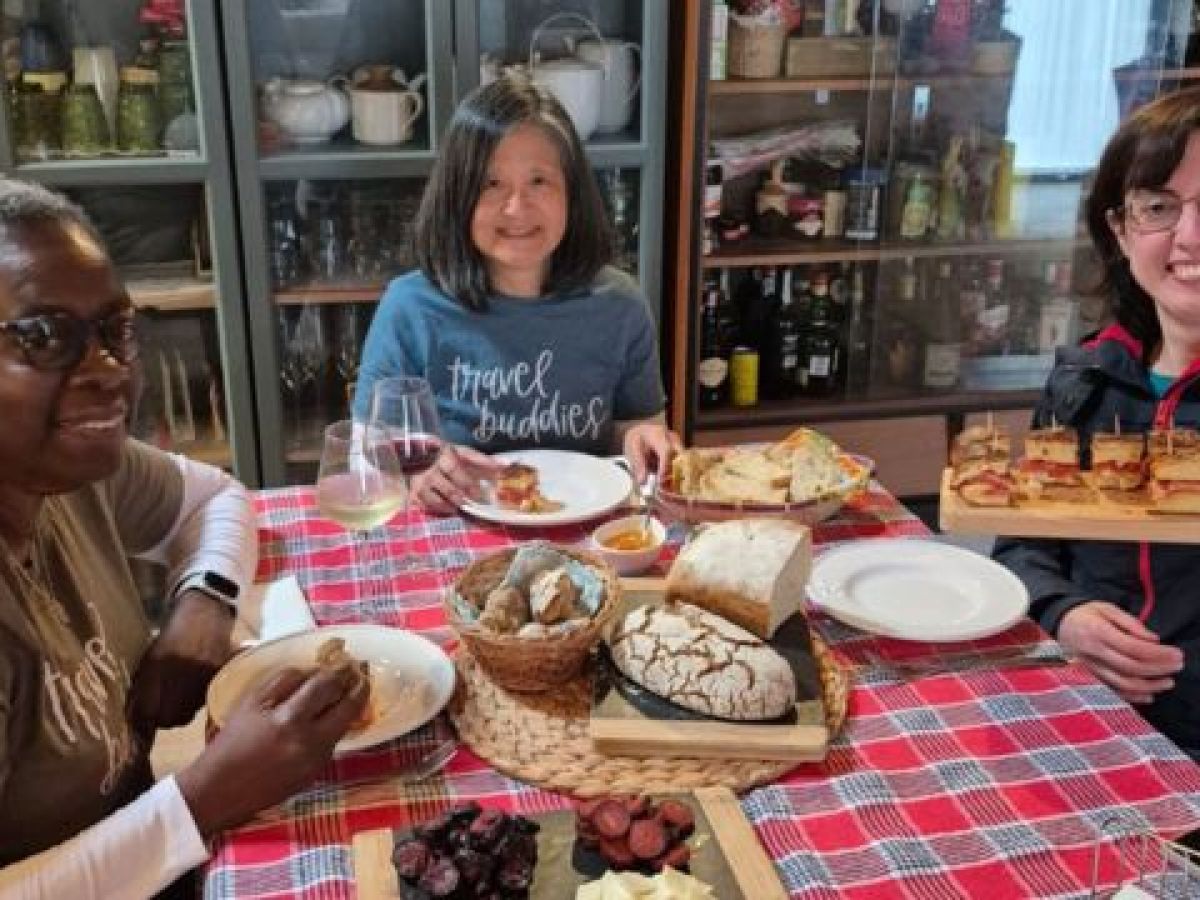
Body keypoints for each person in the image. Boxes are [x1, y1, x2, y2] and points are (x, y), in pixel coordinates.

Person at [0, 180, 368, 899]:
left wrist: (204, 602)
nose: (108, 371)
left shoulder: (65, 472)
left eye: (116, 330)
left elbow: (218, 496)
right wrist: (204, 795)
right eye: (44, 338)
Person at [352, 73, 679, 514]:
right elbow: (366, 455)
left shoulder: (620, 305)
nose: (516, 208)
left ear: (573, 194)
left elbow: (636, 427)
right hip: (455, 537)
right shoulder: (409, 307)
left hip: (586, 534)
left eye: (539, 181)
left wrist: (643, 439)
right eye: (491, 184)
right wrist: (414, 475)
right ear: (457, 197)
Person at [993, 86, 1200, 760]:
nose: (1189, 237)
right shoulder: (1085, 377)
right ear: (1120, 229)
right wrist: (1063, 613)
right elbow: (1023, 548)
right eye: (1159, 208)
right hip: (1080, 716)